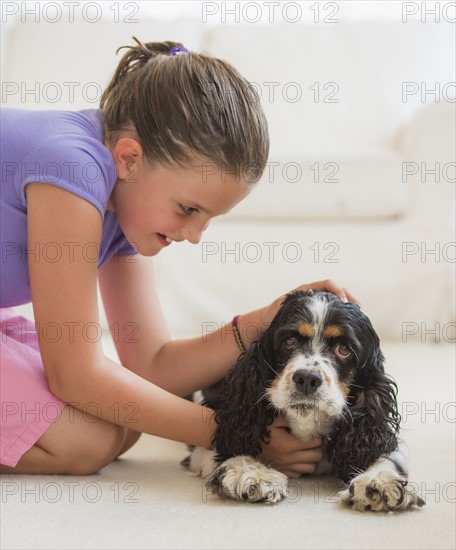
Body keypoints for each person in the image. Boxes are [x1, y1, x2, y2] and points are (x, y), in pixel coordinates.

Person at [0, 39, 358, 476]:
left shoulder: (123, 201)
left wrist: (268, 316)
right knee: (84, 439)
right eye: (188, 209)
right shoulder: (73, 168)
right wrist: (241, 432)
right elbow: (74, 374)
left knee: (120, 417)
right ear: (130, 159)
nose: (192, 235)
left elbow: (152, 368)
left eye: (208, 219)